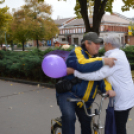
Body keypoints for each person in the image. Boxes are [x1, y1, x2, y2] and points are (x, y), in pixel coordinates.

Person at [67, 35, 134, 134]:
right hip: (126, 96)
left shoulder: (115, 57)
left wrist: (75, 72)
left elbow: (98, 75)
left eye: (104, 44)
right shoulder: (119, 53)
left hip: (122, 99)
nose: (103, 46)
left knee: (119, 127)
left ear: (109, 44)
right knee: (118, 126)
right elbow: (100, 60)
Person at [56, 32, 116, 134]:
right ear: (87, 43)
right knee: (69, 118)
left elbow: (102, 78)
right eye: (96, 43)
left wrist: (108, 89)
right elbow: (82, 65)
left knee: (87, 126)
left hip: (85, 101)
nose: (98, 45)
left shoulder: (95, 60)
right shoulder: (77, 52)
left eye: (99, 43)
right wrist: (103, 61)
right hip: (68, 94)